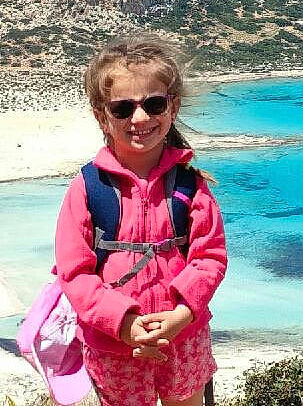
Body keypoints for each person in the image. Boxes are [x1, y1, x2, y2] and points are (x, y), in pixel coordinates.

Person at [54, 36, 228, 406]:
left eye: (153, 104)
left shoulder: (190, 185)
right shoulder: (87, 189)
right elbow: (74, 273)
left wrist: (182, 314)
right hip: (115, 345)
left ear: (172, 106)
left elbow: (209, 257)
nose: (140, 118)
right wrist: (124, 323)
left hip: (182, 337)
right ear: (102, 115)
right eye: (123, 109)